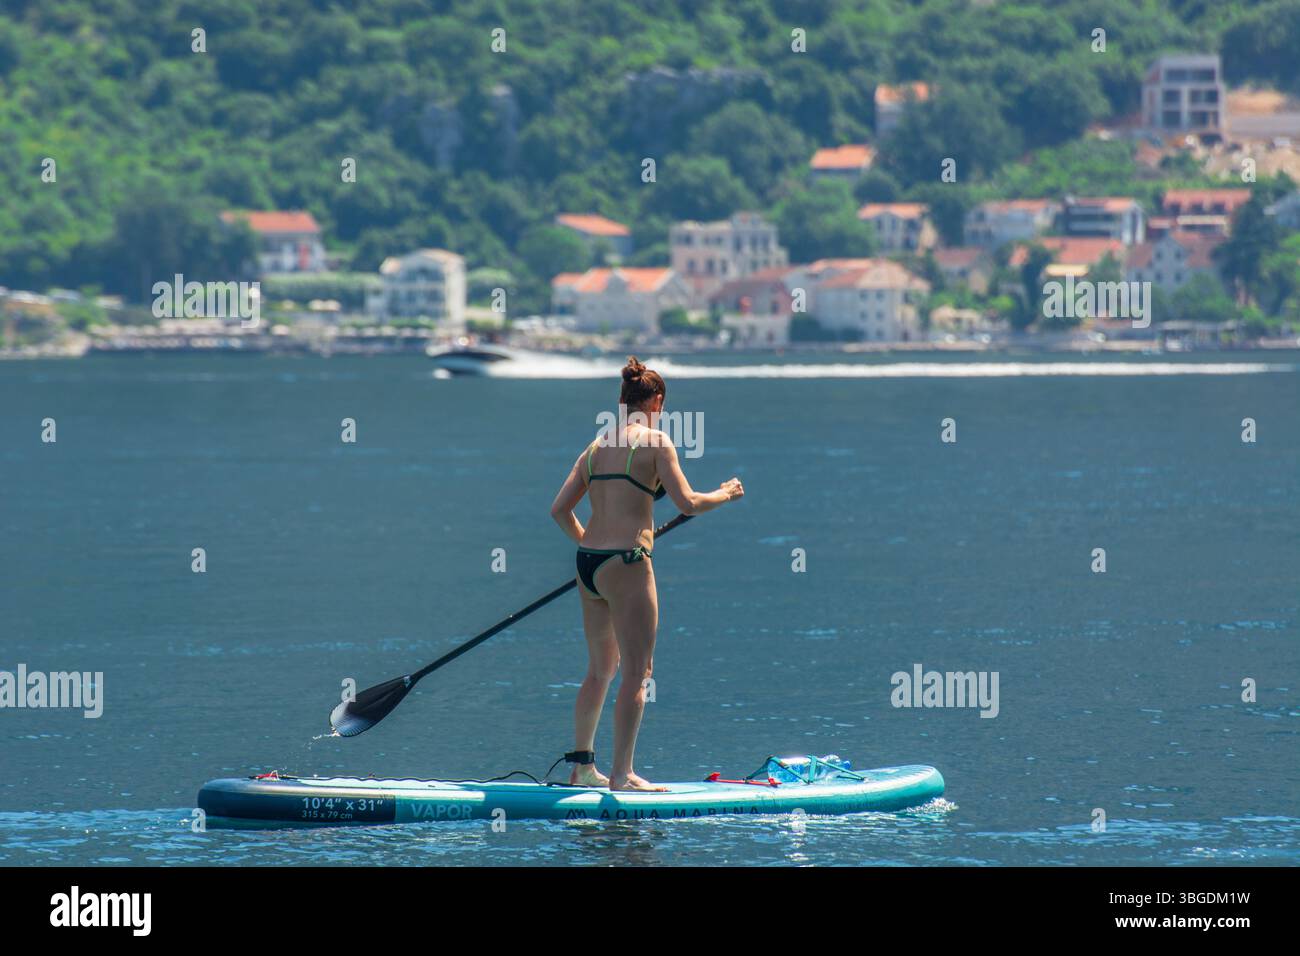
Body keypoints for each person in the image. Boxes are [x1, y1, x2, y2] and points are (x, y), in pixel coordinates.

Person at [550, 357, 743, 791]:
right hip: (628, 564)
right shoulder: (657, 442)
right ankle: (622, 775)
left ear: (623, 402)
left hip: (588, 564)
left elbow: (559, 510)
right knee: (638, 672)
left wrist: (592, 548)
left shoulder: (596, 447)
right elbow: (689, 503)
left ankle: (582, 768)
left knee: (600, 669)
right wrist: (725, 494)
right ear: (656, 401)